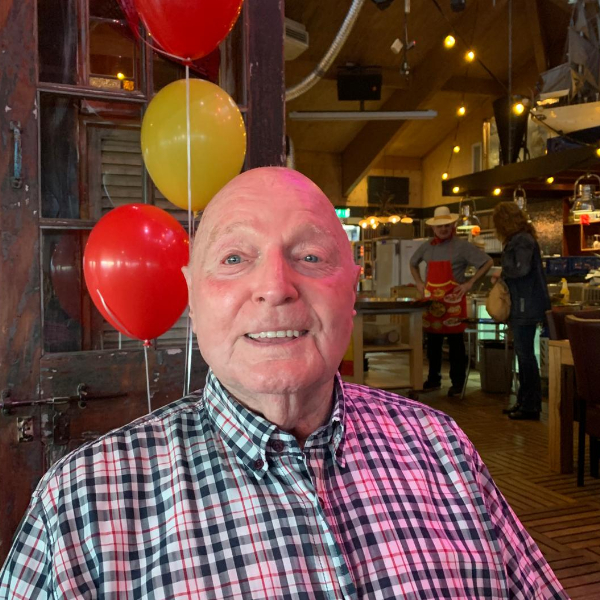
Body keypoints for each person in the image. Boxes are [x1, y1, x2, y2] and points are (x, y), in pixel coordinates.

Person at [0, 168, 566, 599]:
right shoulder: (78, 506)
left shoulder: (443, 448)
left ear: (351, 288)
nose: (275, 286)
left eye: (311, 256)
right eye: (234, 257)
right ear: (191, 296)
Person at [410, 206, 493, 397]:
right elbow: (412, 263)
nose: (443, 229)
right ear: (433, 228)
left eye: (447, 225)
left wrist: (470, 283)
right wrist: (419, 283)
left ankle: (457, 383)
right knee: (433, 344)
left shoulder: (462, 246)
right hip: (432, 303)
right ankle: (433, 379)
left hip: (454, 301)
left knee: (456, 345)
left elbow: (487, 262)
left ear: (453, 226)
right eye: (440, 226)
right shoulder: (427, 246)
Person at [493, 201, 551, 421]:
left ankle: (530, 405)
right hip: (526, 304)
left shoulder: (520, 240)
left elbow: (521, 268)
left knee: (525, 356)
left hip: (524, 305)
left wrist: (502, 272)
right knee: (524, 355)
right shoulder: (524, 238)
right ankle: (525, 401)